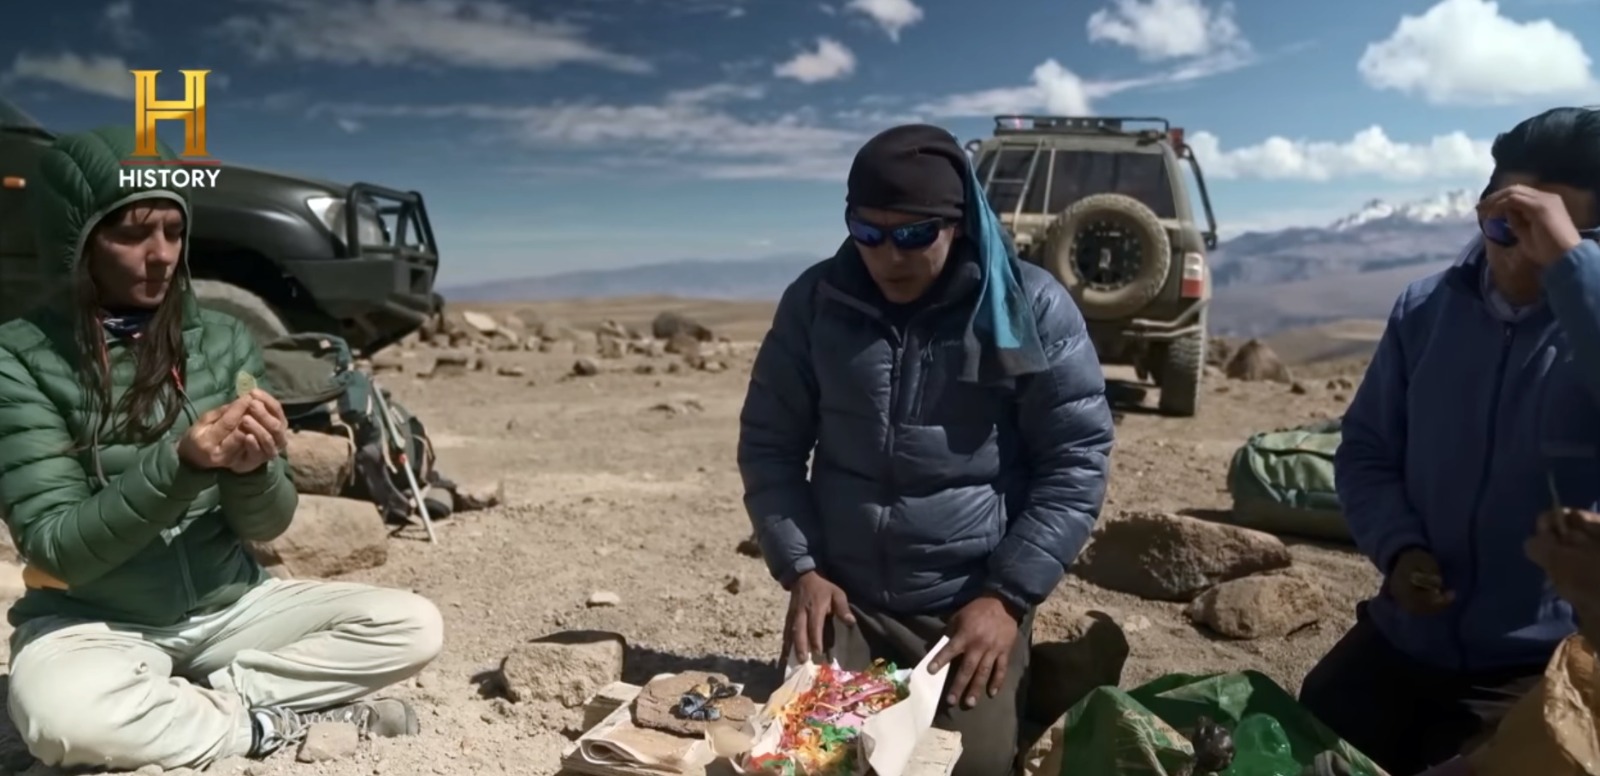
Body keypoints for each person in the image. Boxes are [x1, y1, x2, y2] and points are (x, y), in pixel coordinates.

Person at [0, 126, 445, 771]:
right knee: (61, 721)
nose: (161, 256)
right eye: (130, 234)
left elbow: (268, 524)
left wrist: (254, 469)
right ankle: (269, 725)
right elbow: (55, 547)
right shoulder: (18, 359)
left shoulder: (223, 340)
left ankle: (205, 710)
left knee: (412, 626)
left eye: (173, 233)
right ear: (76, 243)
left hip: (231, 607)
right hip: (93, 618)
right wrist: (183, 465)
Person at [736, 123, 1115, 776]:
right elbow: (770, 445)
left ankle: (1027, 672)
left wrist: (1007, 600)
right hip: (846, 600)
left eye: (914, 234)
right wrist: (801, 569)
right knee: (802, 761)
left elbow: (1075, 460)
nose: (890, 255)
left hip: (967, 608)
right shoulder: (817, 302)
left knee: (970, 766)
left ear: (956, 222)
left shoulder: (1028, 308)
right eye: (868, 232)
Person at [1300, 106, 1600, 776]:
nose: (1525, 253)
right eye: (1507, 225)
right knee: (1315, 725)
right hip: (1409, 633)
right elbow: (1368, 450)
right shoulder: (1425, 311)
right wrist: (1398, 547)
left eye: (1553, 236)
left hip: (1538, 655)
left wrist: (1576, 272)